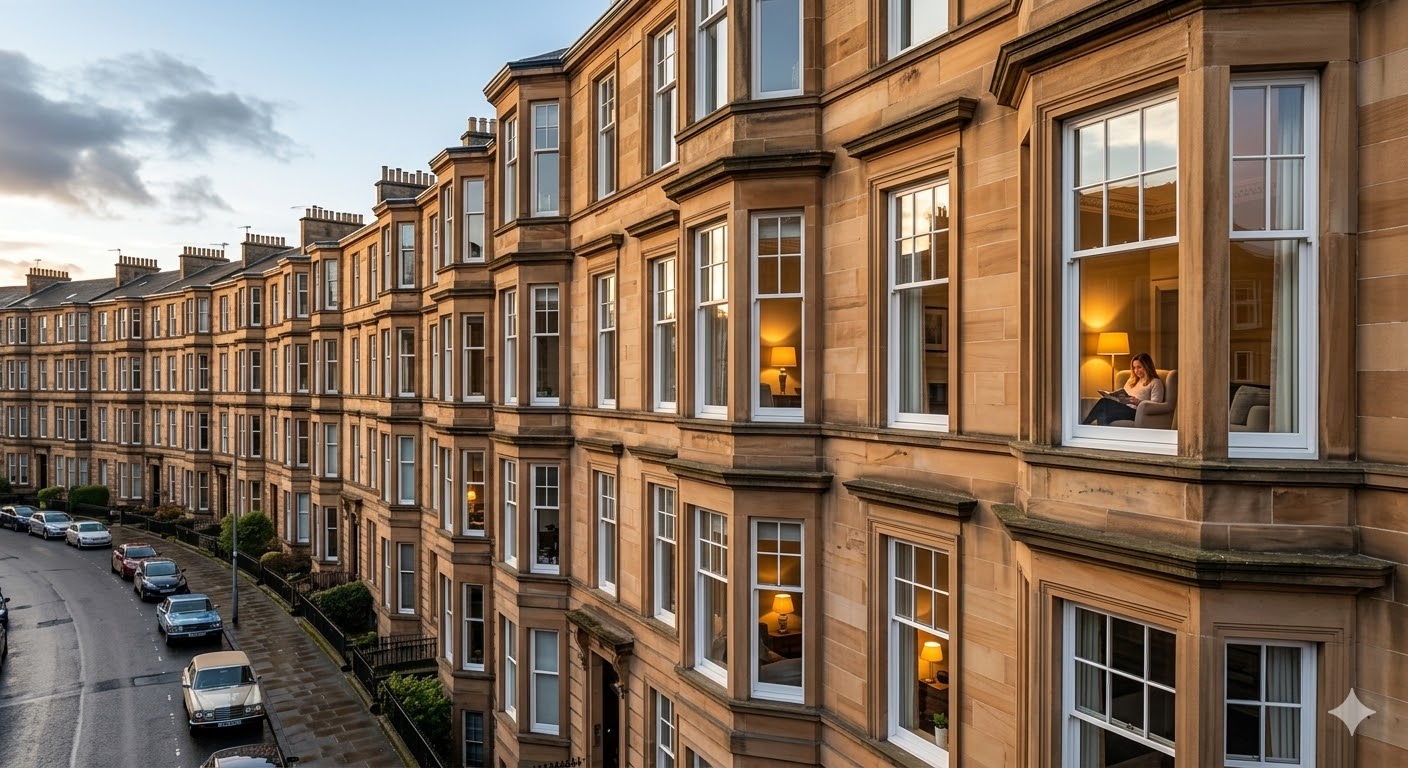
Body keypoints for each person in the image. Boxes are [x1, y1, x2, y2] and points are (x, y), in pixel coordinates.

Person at [1082, 352, 1165, 425]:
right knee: (1103, 413)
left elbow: (1156, 405)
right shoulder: (1131, 380)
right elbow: (1124, 395)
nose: (1136, 371)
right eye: (1134, 368)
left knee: (1103, 402)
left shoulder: (1155, 382)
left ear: (1147, 367)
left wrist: (1139, 402)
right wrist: (1114, 397)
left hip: (1136, 412)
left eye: (1139, 367)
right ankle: (1102, 437)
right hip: (1124, 409)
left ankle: (1084, 425)